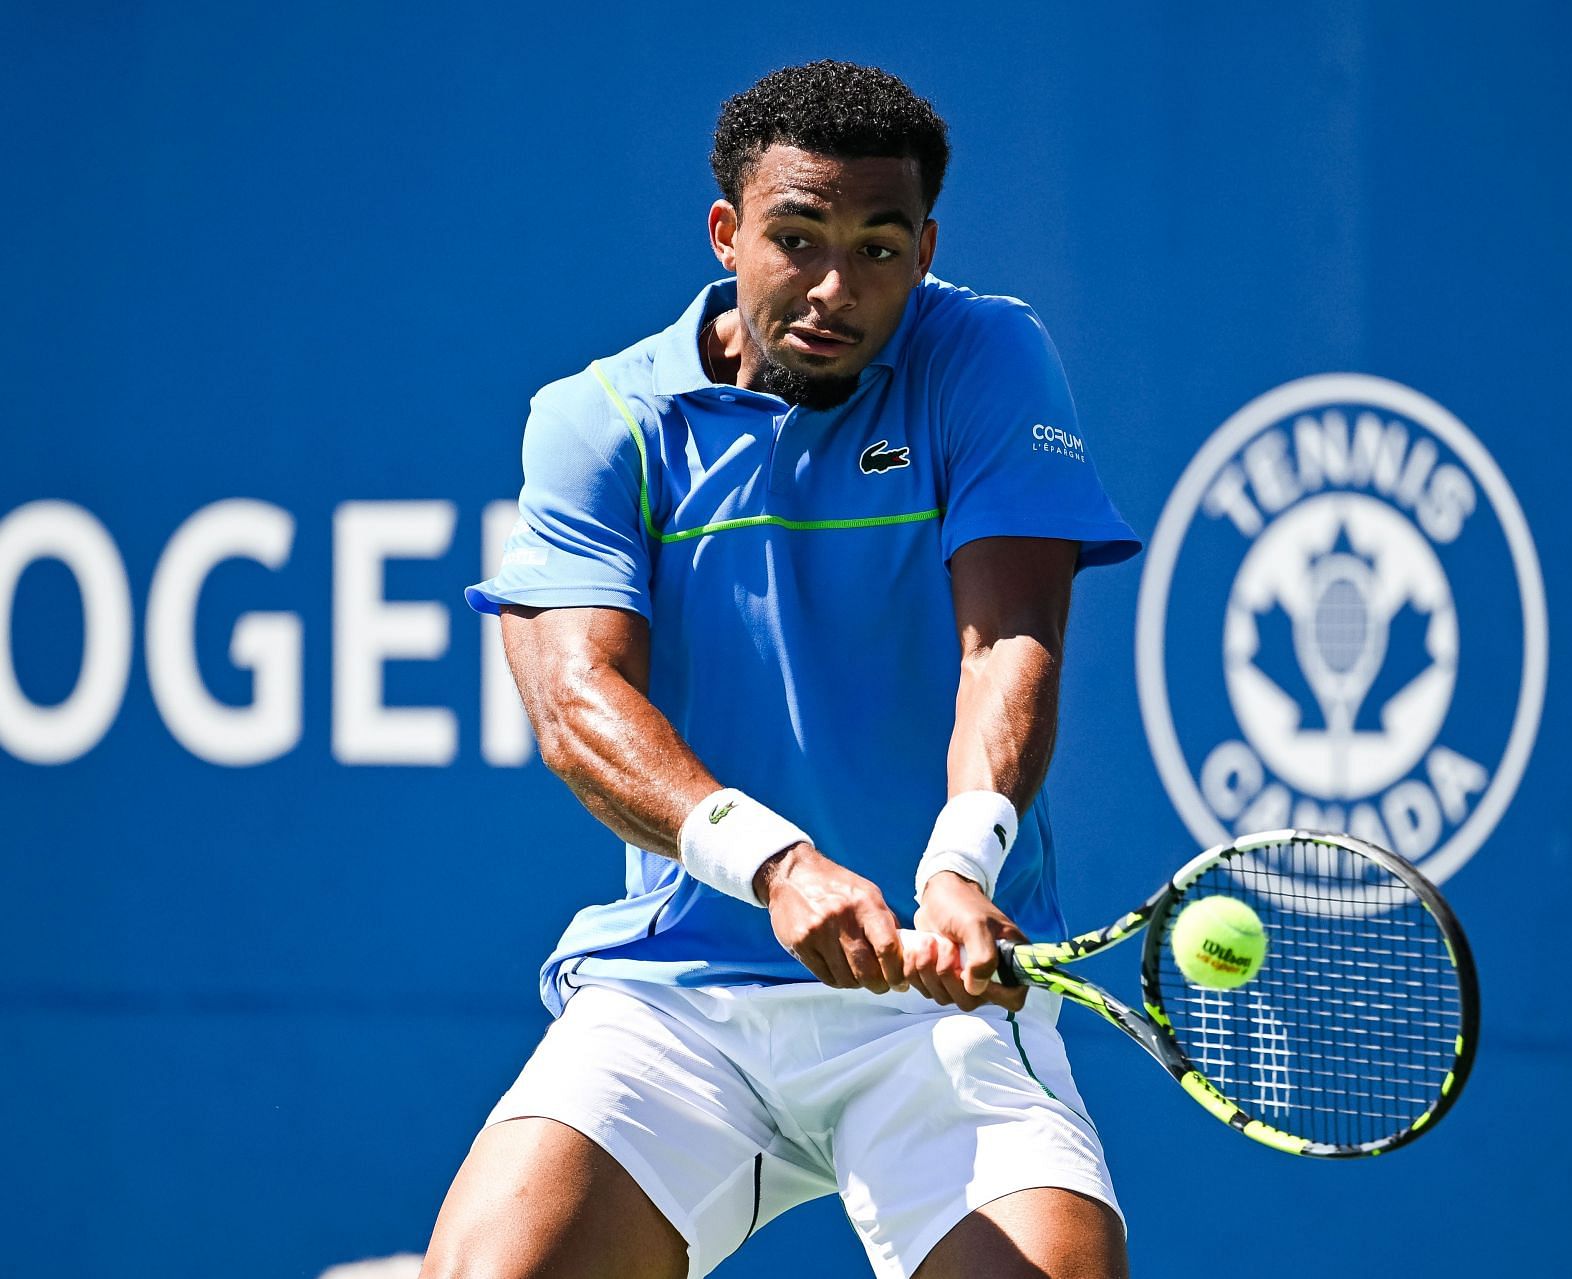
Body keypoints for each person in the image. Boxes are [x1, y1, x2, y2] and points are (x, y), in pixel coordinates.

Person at [422, 61, 1139, 1279]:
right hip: (678, 992)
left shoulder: (984, 354)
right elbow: (577, 708)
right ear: (727, 232)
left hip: (935, 1008)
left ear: (924, 249)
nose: (833, 289)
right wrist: (777, 865)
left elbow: (1008, 638)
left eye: (877, 250)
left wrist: (962, 866)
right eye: (797, 239)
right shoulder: (602, 421)